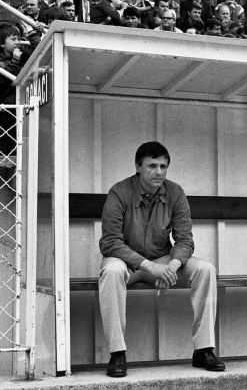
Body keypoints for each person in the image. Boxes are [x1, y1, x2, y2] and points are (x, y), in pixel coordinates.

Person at [99, 141, 225, 378]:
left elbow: (185, 240)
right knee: (111, 272)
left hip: (164, 260)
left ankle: (203, 350)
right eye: (152, 166)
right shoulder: (119, 192)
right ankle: (117, 353)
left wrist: (173, 265)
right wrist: (150, 267)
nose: (158, 172)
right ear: (138, 167)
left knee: (205, 269)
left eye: (163, 166)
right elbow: (110, 242)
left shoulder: (175, 192)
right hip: (127, 262)